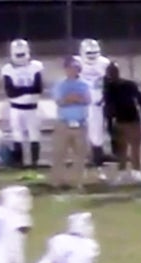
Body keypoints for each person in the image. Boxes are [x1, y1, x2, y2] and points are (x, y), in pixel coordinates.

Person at [103, 61, 141, 184]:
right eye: (110, 72)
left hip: (132, 119)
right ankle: (122, 172)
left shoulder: (129, 85)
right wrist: (109, 124)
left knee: (135, 147)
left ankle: (136, 171)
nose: (112, 74)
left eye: (114, 71)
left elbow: (140, 100)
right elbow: (108, 107)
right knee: (121, 149)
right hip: (119, 121)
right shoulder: (109, 88)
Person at [2, 38, 44, 168]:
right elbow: (10, 92)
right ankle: (19, 163)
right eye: (18, 55)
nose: (20, 57)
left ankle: (34, 162)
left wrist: (20, 90)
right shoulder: (7, 68)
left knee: (34, 135)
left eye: (22, 54)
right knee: (17, 135)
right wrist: (28, 89)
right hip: (16, 108)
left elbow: (38, 88)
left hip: (32, 108)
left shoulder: (36, 66)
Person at [51, 57, 91, 190]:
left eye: (75, 68)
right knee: (59, 153)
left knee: (80, 155)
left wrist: (71, 99)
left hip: (80, 123)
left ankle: (77, 181)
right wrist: (72, 99)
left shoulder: (84, 84)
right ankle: (58, 181)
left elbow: (86, 100)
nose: (72, 70)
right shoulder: (60, 85)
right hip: (63, 123)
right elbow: (60, 101)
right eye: (69, 68)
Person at [73, 38, 113, 172]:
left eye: (94, 52)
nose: (91, 56)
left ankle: (98, 154)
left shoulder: (104, 63)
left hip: (100, 100)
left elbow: (110, 81)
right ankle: (90, 155)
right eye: (89, 53)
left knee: (98, 128)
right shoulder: (76, 62)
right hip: (82, 101)